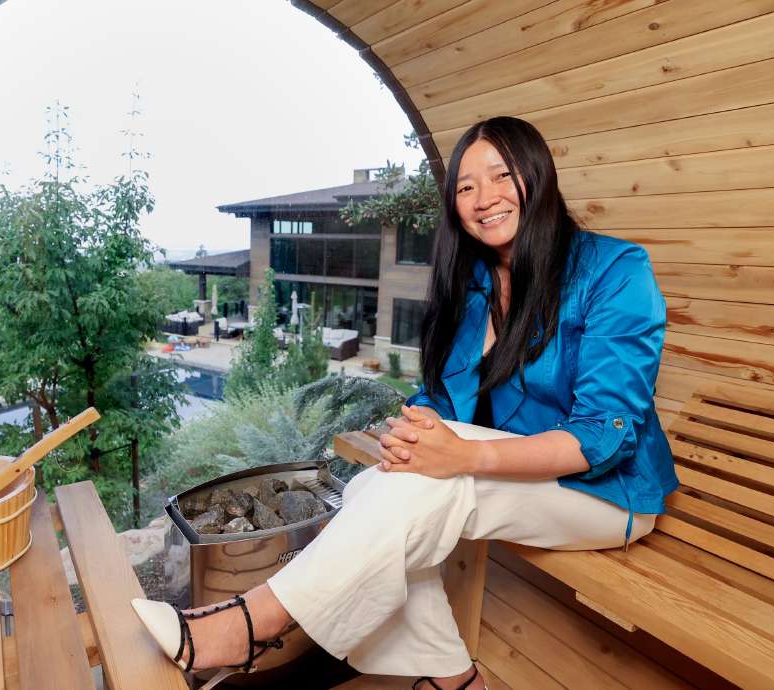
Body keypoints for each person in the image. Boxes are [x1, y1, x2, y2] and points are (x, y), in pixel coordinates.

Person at [131, 116, 679, 690]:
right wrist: (419, 426)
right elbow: (446, 395)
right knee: (387, 485)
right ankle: (450, 678)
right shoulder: (476, 284)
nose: (483, 198)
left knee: (418, 487)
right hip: (518, 471)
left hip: (605, 494)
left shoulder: (615, 272)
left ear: (537, 176)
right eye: (466, 186)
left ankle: (250, 626)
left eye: (500, 176)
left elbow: (602, 434)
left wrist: (463, 457)